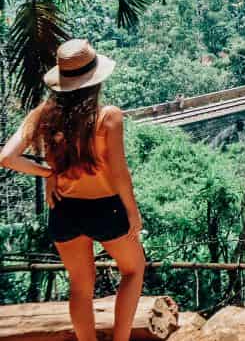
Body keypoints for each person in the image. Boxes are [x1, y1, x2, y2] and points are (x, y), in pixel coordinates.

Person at [0, 39, 144, 341]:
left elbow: (6, 157)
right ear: (95, 80)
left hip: (64, 210)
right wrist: (133, 212)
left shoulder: (44, 114)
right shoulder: (107, 116)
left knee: (80, 286)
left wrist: (49, 172)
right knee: (133, 270)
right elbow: (118, 172)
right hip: (106, 207)